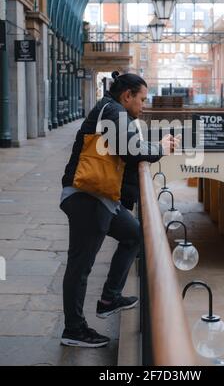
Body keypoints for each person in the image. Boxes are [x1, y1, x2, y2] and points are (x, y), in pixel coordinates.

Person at [60, 71, 179, 348]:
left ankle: (109, 299)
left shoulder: (112, 110)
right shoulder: (113, 111)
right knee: (80, 265)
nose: (143, 106)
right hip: (86, 197)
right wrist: (159, 147)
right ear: (127, 96)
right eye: (141, 99)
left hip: (101, 198)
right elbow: (132, 149)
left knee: (135, 234)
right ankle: (74, 329)